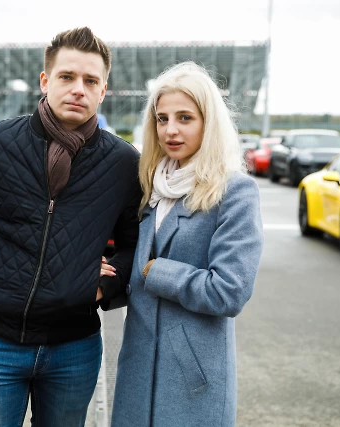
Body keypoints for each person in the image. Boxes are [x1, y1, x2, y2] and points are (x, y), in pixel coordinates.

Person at [0, 27, 141, 426]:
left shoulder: (123, 163)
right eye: (67, 77)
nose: (78, 89)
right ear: (45, 81)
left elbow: (134, 246)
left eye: (91, 81)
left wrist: (102, 287)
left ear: (103, 91)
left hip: (74, 348)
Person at [110, 62, 264, 426]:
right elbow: (132, 263)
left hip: (192, 380)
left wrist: (158, 272)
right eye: (162, 119)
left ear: (209, 123)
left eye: (185, 118)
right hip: (137, 371)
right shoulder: (151, 186)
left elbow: (230, 291)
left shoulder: (234, 192)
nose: (170, 130)